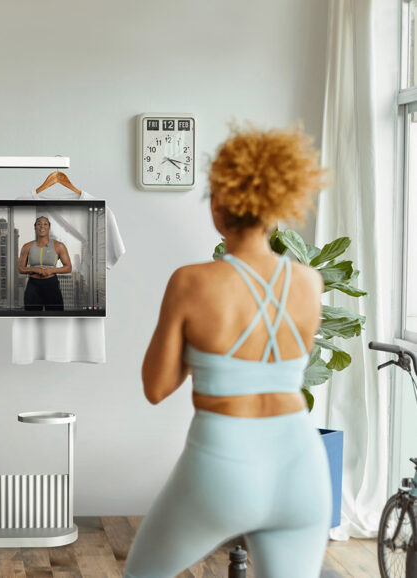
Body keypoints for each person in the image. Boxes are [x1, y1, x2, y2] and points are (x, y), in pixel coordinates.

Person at [124, 126, 332, 578]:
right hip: (301, 465)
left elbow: (156, 388)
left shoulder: (191, 282)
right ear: (277, 206)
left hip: (223, 463)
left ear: (218, 205)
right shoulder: (309, 283)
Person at [18, 216, 72, 311]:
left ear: (49, 227)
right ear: (35, 227)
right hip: (33, 286)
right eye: (39, 224)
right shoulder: (27, 246)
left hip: (51, 284)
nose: (42, 226)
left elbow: (68, 267)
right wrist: (34, 269)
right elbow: (21, 269)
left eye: (45, 224)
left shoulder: (59, 246)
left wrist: (51, 270)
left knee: (55, 317)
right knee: (31, 319)